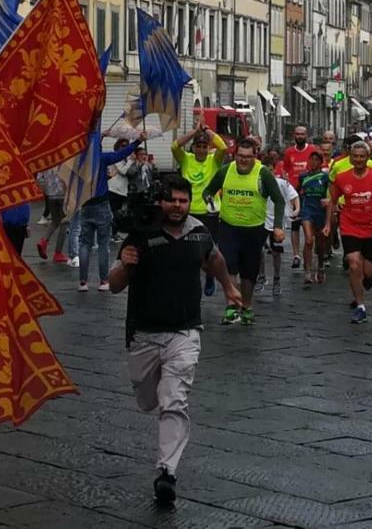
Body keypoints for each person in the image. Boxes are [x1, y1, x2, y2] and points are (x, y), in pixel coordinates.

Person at [109, 175, 243, 504]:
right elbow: (114, 284)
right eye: (171, 200)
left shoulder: (199, 231)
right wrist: (125, 266)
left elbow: (214, 260)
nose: (177, 206)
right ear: (160, 201)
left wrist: (229, 288)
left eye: (183, 201)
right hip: (143, 333)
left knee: (174, 400)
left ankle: (166, 472)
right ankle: (154, 397)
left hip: (185, 332)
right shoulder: (140, 231)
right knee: (146, 397)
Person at [202, 138, 286, 325]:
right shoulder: (225, 171)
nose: (244, 160)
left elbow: (279, 200)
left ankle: (246, 306)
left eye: (248, 157)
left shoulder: (263, 174)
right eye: (240, 156)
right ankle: (232, 306)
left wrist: (278, 226)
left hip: (254, 229)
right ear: (235, 155)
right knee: (229, 265)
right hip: (228, 227)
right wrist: (210, 201)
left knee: (249, 272)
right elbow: (208, 191)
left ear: (255, 157)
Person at [330, 141, 372, 323]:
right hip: (350, 225)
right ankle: (360, 306)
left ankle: (366, 280)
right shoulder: (342, 178)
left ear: (368, 158)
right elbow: (333, 200)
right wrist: (330, 224)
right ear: (350, 158)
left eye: (362, 156)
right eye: (355, 156)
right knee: (353, 263)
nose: (358, 159)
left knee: (368, 272)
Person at [78, 135, 145, 292]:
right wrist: (137, 141)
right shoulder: (101, 158)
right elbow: (120, 154)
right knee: (103, 244)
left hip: (85, 204)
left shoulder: (80, 160)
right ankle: (103, 281)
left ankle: (82, 282)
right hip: (101, 203)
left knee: (85, 244)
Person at [171, 124, 229, 294]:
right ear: (194, 148)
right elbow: (175, 146)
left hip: (209, 211)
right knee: (187, 248)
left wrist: (207, 130)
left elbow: (223, 147)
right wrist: (194, 132)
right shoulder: (186, 159)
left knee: (208, 249)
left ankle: (210, 275)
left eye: (205, 147)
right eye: (199, 146)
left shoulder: (214, 160)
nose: (202, 150)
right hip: (188, 210)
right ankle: (190, 277)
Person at [258, 149, 298, 295]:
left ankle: (276, 278)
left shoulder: (281, 183)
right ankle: (261, 276)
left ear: (274, 169)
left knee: (276, 253)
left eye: (270, 170)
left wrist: (296, 209)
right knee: (259, 251)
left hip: (276, 222)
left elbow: (294, 195)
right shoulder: (258, 183)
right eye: (265, 170)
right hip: (261, 221)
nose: (268, 173)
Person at [299, 152, 332, 284]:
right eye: (311, 159)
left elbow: (331, 197)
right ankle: (307, 271)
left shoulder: (325, 177)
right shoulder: (303, 177)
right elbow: (296, 192)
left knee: (320, 242)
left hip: (320, 211)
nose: (313, 162)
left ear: (320, 162)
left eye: (316, 160)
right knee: (308, 240)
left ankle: (320, 266)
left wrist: (328, 201)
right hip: (307, 210)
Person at [35, 168, 69, 263]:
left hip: (51, 195)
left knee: (55, 221)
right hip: (63, 193)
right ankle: (58, 252)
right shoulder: (64, 160)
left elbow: (39, 179)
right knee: (64, 222)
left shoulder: (46, 162)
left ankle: (44, 241)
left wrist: (46, 190)